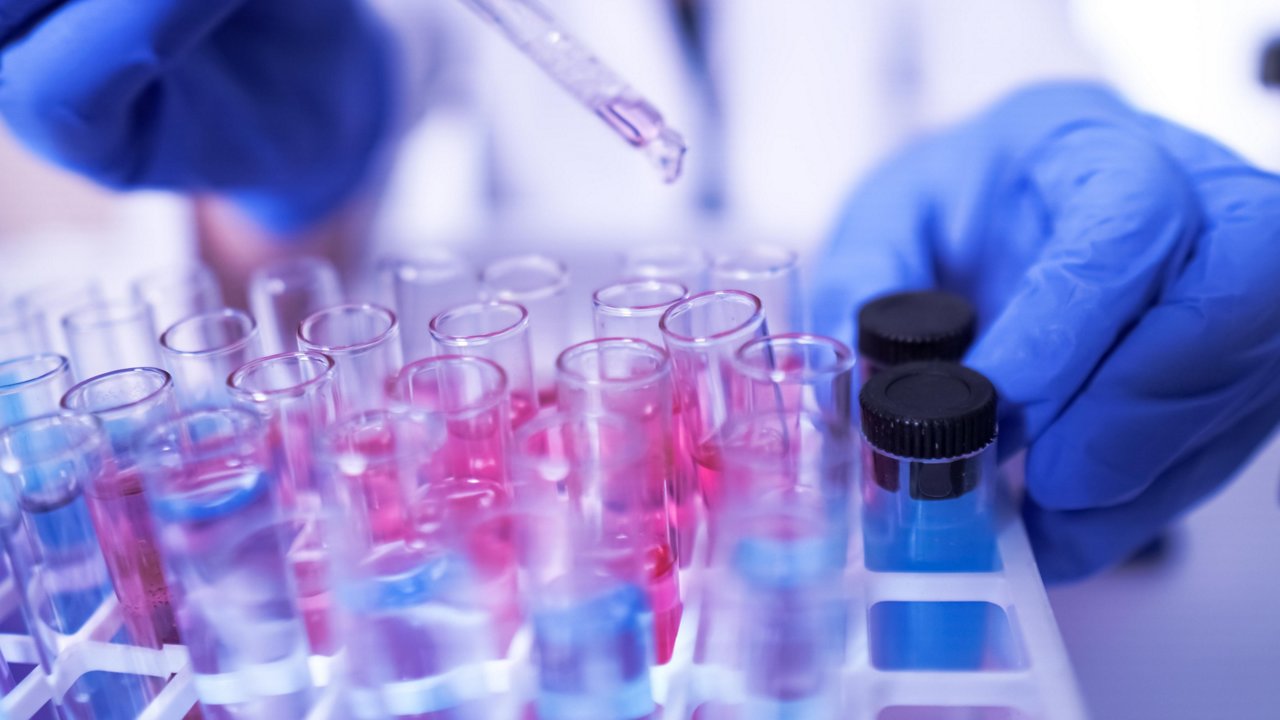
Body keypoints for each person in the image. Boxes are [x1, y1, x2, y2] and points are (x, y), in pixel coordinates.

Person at [0, 0, 1277, 584]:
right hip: (556, 551)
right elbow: (282, 287)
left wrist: (1096, 206)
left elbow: (1028, 76)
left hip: (857, 548)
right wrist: (283, 170)